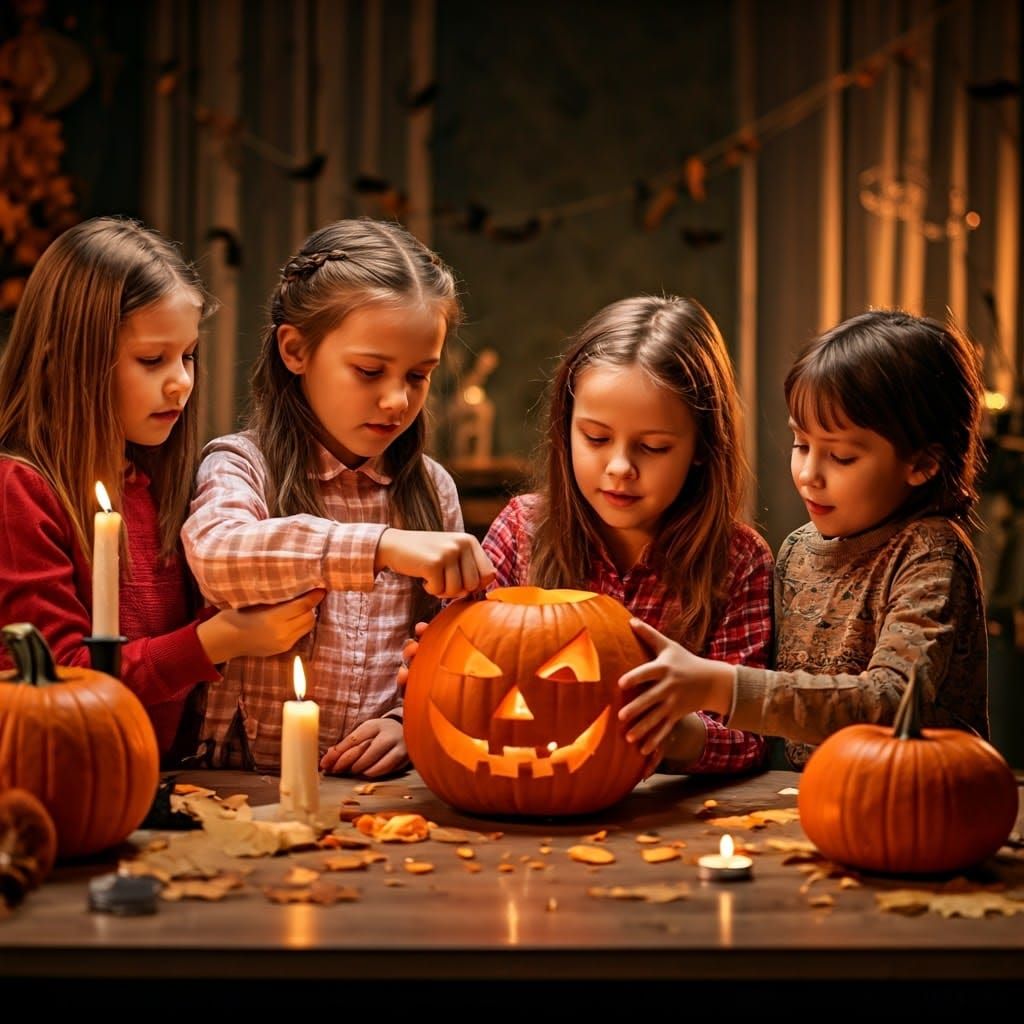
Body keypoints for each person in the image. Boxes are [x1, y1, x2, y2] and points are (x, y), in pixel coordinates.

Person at [0, 216, 323, 764]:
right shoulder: (19, 492)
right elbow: (57, 682)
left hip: (167, 783)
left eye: (188, 355)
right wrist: (220, 640)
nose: (181, 382)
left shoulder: (159, 484)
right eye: (152, 360)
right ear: (67, 361)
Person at [182, 218, 495, 779]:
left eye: (419, 376)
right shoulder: (239, 464)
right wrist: (383, 547)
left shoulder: (431, 490)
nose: (397, 400)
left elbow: (452, 651)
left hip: (379, 800)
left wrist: (407, 720)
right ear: (296, 349)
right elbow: (216, 557)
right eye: (369, 371)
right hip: (241, 787)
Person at [618, 308, 989, 768]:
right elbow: (781, 708)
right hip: (809, 804)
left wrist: (719, 685)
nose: (809, 474)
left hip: (923, 803)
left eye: (842, 457)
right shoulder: (795, 552)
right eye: (801, 445)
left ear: (922, 465)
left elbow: (894, 705)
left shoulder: (930, 554)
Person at [475, 295, 774, 773]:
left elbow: (750, 738)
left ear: (702, 446)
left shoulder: (738, 559)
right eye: (595, 438)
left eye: (653, 447)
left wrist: (668, 731)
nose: (619, 468)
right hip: (526, 789)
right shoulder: (521, 530)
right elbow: (460, 668)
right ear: (564, 428)